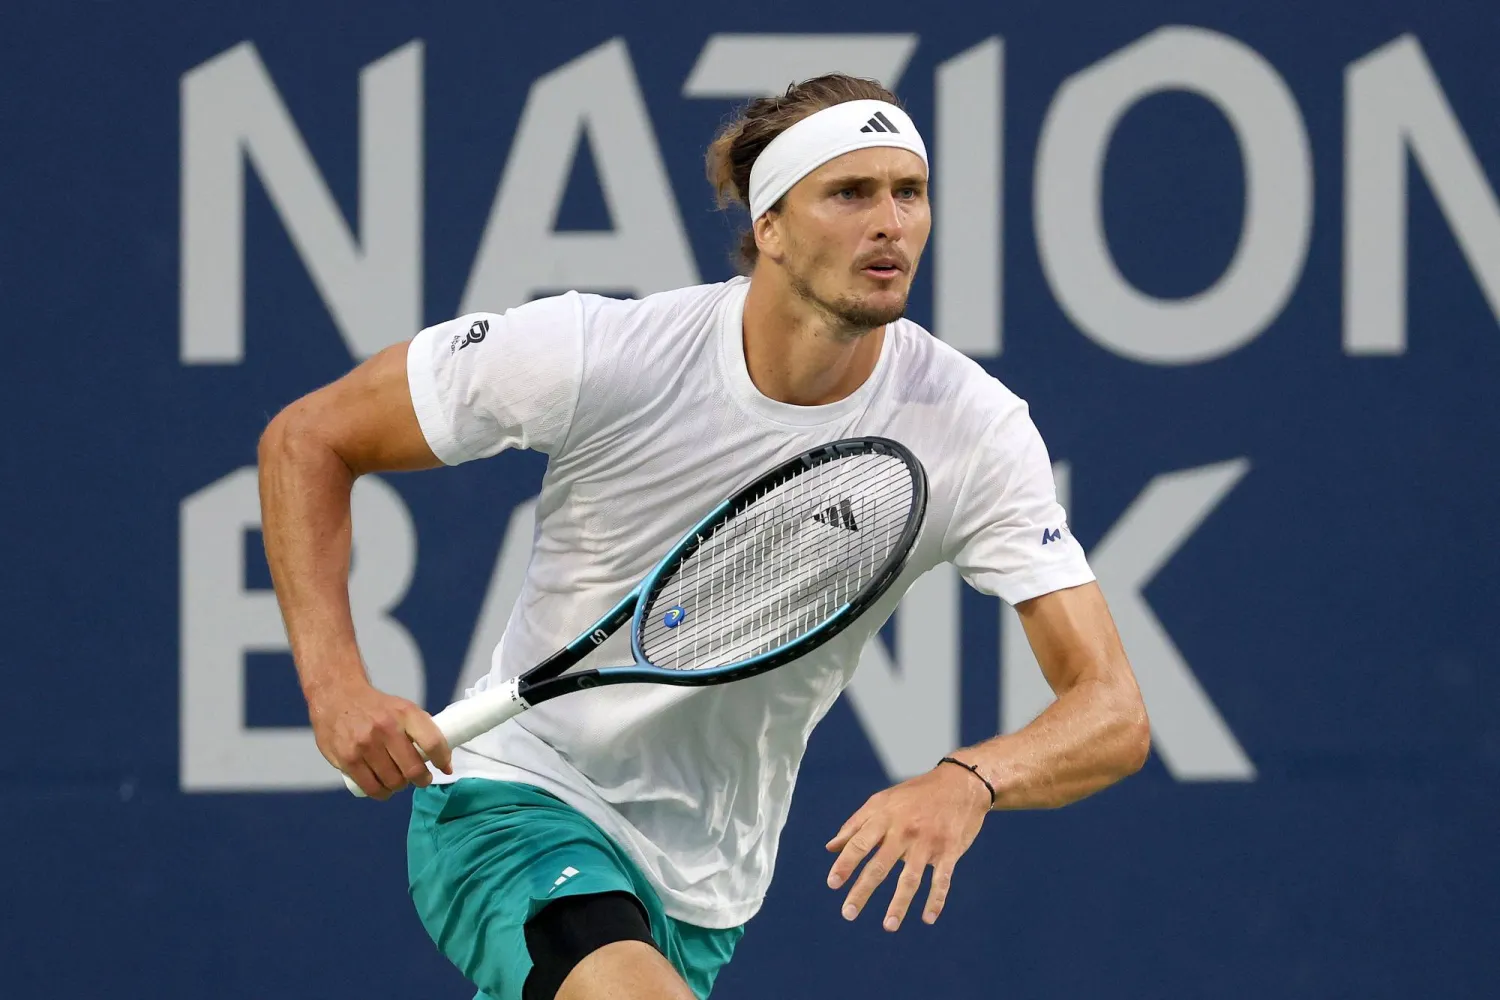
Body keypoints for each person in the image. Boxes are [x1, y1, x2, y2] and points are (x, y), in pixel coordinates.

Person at [258, 74, 1150, 1000]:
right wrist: (335, 686)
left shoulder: (972, 428)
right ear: (769, 225)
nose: (892, 222)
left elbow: (1113, 711)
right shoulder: (602, 354)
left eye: (909, 192)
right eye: (850, 193)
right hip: (516, 800)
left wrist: (973, 779)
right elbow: (309, 438)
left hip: (704, 892)